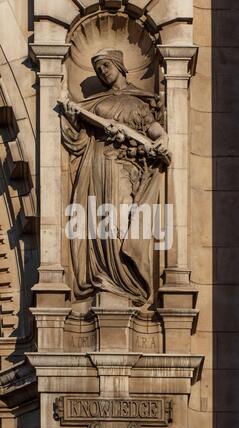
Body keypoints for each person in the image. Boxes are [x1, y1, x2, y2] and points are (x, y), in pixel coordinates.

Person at [61, 48, 171, 306]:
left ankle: (125, 280)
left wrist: (163, 140)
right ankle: (104, 275)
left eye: (106, 66)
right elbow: (77, 129)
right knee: (101, 222)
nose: (102, 72)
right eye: (98, 69)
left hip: (125, 171)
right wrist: (70, 113)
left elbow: (154, 131)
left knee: (121, 219)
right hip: (98, 166)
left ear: (119, 66)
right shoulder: (95, 104)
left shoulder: (138, 102)